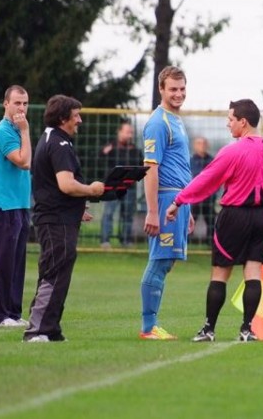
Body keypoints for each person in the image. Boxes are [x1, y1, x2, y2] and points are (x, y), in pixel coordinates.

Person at [166, 98, 263, 343]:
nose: (227, 124)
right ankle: (247, 330)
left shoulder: (232, 151)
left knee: (220, 274)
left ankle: (208, 330)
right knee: (253, 272)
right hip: (262, 218)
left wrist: (179, 200)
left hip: (234, 217)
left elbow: (207, 180)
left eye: (231, 119)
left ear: (243, 122)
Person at [23, 95, 104, 343]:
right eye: (76, 115)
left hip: (59, 217)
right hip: (55, 220)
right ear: (62, 118)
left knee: (55, 270)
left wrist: (77, 209)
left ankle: (50, 329)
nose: (80, 120)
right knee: (54, 272)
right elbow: (66, 185)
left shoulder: (53, 139)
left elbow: (54, 187)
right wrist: (92, 190)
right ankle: (37, 330)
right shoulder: (59, 144)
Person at [139, 66, 194, 340]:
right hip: (165, 199)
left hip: (178, 200)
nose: (178, 94)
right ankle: (148, 328)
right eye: (173, 89)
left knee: (167, 261)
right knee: (159, 261)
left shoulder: (176, 120)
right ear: (161, 89)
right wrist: (152, 211)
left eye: (182, 89)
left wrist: (187, 205)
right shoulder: (158, 123)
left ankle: (151, 326)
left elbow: (180, 165)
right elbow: (151, 168)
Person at [0, 85, 32, 329]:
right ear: (6, 104)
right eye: (17, 103)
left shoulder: (17, 130)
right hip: (2, 206)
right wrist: (26, 131)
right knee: (1, 262)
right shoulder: (3, 132)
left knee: (16, 263)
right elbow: (24, 161)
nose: (21, 108)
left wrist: (23, 131)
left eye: (25, 103)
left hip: (20, 204)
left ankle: (12, 312)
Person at [99, 120, 143, 249]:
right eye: (127, 132)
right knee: (108, 213)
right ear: (119, 132)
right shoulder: (110, 148)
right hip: (112, 186)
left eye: (131, 133)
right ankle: (105, 241)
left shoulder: (135, 150)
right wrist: (104, 153)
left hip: (129, 187)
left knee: (128, 215)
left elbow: (141, 166)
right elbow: (99, 160)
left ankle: (126, 240)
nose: (129, 135)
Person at [188, 136, 218, 242]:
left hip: (208, 196)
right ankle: (187, 239)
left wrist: (213, 193)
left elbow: (217, 178)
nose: (202, 146)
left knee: (210, 219)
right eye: (199, 143)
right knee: (191, 217)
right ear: (194, 146)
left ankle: (211, 241)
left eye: (204, 143)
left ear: (208, 145)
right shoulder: (190, 161)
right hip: (194, 196)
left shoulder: (212, 161)